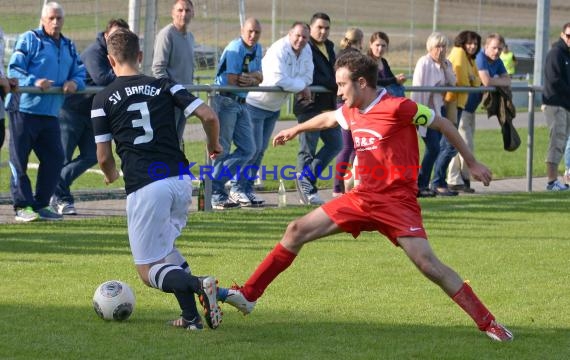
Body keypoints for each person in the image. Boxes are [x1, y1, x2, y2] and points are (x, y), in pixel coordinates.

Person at [220, 51, 513, 342]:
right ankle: (248, 295)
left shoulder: (400, 107)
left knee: (429, 266)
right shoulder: (351, 110)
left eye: (342, 85)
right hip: (361, 199)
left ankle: (489, 323)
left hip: (397, 203)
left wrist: (471, 163)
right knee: (295, 230)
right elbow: (328, 120)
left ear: (361, 83)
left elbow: (444, 124)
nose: (338, 91)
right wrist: (295, 129)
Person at [91, 28, 222, 330]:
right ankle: (191, 318)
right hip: (179, 180)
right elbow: (209, 116)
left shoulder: (102, 99)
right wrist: (214, 144)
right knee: (166, 253)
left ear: (111, 61)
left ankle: (199, 283)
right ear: (140, 56)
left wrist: (111, 175)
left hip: (146, 185)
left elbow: (103, 156)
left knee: (146, 269)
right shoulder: (164, 84)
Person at [6, 2, 85, 222]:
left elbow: (80, 70)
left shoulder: (69, 45)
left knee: (55, 159)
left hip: (50, 114)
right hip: (23, 110)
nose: (55, 22)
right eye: (51, 18)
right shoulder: (29, 39)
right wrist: (34, 81)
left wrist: (75, 83)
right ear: (42, 19)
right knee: (19, 160)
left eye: (59, 18)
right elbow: (14, 69)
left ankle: (40, 204)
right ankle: (22, 206)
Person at [50, 18, 130, 216]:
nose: (117, 38)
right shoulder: (95, 52)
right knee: (63, 157)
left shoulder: (120, 55)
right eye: (115, 34)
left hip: (92, 114)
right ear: (106, 36)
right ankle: (59, 198)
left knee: (92, 155)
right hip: (71, 111)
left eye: (122, 35)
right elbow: (102, 79)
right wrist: (128, 75)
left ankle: (56, 189)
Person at [244, 22, 313, 204]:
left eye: (305, 37)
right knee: (252, 149)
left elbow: (308, 77)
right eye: (298, 35)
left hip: (274, 108)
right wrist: (301, 86)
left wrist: (299, 84)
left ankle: (247, 188)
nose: (301, 40)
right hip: (256, 104)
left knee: (260, 151)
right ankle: (237, 187)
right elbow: (278, 79)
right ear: (290, 34)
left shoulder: (307, 50)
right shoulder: (278, 49)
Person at [211, 17, 263, 209]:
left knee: (250, 148)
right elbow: (233, 80)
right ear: (242, 30)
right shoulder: (235, 47)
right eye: (250, 31)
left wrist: (251, 79)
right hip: (226, 100)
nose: (253, 35)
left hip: (242, 102)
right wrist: (254, 79)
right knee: (221, 148)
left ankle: (215, 183)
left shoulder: (257, 48)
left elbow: (261, 76)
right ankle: (215, 193)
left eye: (257, 32)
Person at [293, 12, 342, 205]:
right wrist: (335, 83)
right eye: (319, 27)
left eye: (327, 28)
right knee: (307, 150)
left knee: (336, 144)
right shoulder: (306, 46)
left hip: (328, 106)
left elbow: (332, 72)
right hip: (309, 105)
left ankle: (307, 179)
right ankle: (306, 191)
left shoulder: (329, 46)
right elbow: (308, 77)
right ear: (311, 27)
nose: (323, 31)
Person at [410, 32, 456, 197]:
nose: (441, 50)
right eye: (438, 46)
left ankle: (431, 183)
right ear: (430, 48)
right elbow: (418, 89)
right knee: (434, 147)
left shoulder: (446, 63)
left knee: (445, 146)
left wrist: (444, 67)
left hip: (439, 110)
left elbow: (453, 82)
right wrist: (416, 115)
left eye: (444, 46)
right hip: (424, 111)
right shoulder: (424, 62)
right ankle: (421, 184)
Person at [152, 0, 195, 145]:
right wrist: (173, 92)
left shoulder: (190, 37)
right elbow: (158, 69)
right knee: (166, 142)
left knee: (176, 142)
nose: (183, 14)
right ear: (173, 13)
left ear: (193, 13)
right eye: (180, 10)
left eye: (187, 10)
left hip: (184, 99)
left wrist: (185, 95)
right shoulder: (166, 34)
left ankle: (172, 168)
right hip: (170, 100)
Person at [443, 30, 482, 194]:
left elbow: (477, 80)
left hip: (465, 105)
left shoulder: (469, 58)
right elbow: (463, 81)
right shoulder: (459, 53)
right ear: (462, 43)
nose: (472, 46)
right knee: (459, 143)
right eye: (469, 43)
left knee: (461, 143)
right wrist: (472, 81)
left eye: (475, 43)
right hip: (455, 104)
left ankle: (461, 179)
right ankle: (453, 179)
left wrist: (473, 81)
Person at [332, 27, 363, 197]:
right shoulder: (355, 57)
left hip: (341, 102)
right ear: (360, 40)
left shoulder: (340, 53)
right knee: (349, 147)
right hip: (348, 103)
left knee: (350, 148)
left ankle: (345, 186)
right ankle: (339, 187)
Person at [543, 22, 570, 191]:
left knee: (563, 142)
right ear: (562, 35)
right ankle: (551, 181)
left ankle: (560, 179)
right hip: (556, 104)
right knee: (556, 142)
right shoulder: (556, 53)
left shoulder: (567, 54)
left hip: (566, 105)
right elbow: (554, 81)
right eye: (569, 36)